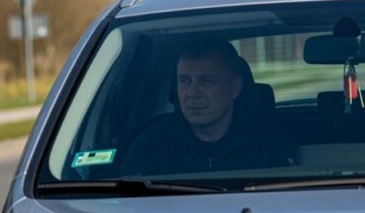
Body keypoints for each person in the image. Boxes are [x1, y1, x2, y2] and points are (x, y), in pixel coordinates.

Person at [121, 39, 296, 176]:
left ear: (234, 87)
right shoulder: (150, 146)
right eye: (185, 81)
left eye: (206, 81)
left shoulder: (272, 145)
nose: (192, 93)